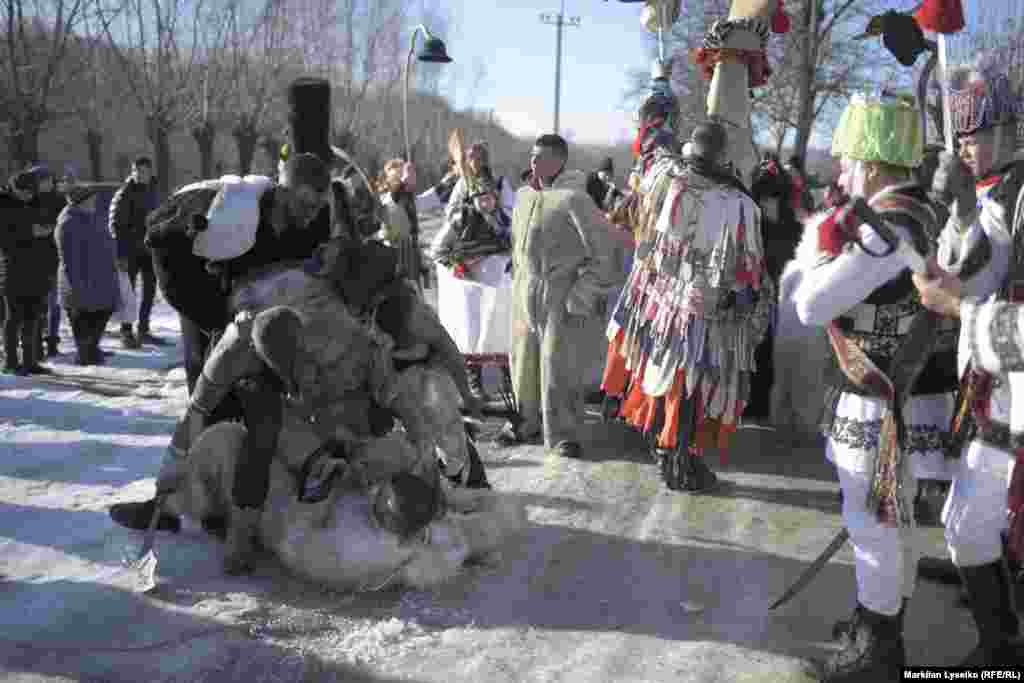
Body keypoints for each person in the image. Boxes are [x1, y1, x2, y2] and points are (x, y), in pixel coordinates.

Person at [791, 92, 958, 680]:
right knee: (892, 517)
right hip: (908, 386)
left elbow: (811, 305)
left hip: (884, 392)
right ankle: (878, 623)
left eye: (848, 160)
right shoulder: (919, 210)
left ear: (871, 162)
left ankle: (878, 649)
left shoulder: (888, 224)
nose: (842, 170)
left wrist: (820, 249)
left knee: (872, 520)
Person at [601, 14, 775, 493]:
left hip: (660, 300)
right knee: (692, 386)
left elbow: (653, 136)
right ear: (728, 159)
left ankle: (668, 454)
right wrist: (749, 307)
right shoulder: (740, 205)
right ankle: (678, 460)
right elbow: (748, 273)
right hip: (702, 312)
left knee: (666, 376)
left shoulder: (663, 175)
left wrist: (660, 83)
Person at [909, 54, 1024, 667]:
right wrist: (958, 211)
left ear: (1007, 129)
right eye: (962, 135)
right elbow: (972, 270)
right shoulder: (1000, 192)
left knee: (971, 522)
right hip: (994, 384)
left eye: (975, 133)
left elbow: (979, 299)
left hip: (1013, 393)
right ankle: (1001, 628)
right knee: (971, 521)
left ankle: (1002, 650)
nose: (965, 146)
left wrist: (958, 309)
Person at [501, 133, 618, 458]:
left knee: (559, 364)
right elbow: (516, 245)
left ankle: (564, 432)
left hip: (559, 292)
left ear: (559, 161)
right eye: (532, 155)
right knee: (522, 360)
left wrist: (580, 293)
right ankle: (525, 421)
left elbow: (604, 253)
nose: (533, 162)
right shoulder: (523, 196)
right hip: (525, 290)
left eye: (541, 156)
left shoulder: (575, 199)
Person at [435, 141, 517, 400]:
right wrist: (458, 265)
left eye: (481, 157)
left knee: (499, 322)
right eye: (472, 158)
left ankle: (509, 381)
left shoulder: (501, 189)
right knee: (472, 326)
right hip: (471, 273)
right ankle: (474, 384)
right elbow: (442, 241)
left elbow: (513, 224)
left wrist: (497, 216)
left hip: (498, 271)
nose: (477, 162)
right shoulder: (462, 202)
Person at [0, 170, 59, 375]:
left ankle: (30, 360)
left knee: (33, 316)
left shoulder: (35, 202)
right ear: (15, 189)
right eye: (24, 193)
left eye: (31, 192)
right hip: (13, 268)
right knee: (13, 317)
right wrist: (30, 232)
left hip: (37, 267)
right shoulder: (4, 204)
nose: (28, 196)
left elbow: (46, 219)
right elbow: (5, 238)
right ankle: (10, 361)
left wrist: (45, 229)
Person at [54, 184, 120, 365]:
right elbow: (69, 258)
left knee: (103, 311)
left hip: (100, 276)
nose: (95, 202)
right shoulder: (68, 222)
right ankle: (85, 353)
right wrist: (76, 284)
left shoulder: (91, 217)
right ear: (81, 202)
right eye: (91, 199)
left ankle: (91, 348)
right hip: (79, 279)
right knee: (82, 318)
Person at [109, 156, 162, 348]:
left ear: (150, 172)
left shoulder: (155, 189)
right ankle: (126, 331)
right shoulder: (125, 192)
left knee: (150, 291)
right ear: (132, 172)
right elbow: (115, 225)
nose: (140, 174)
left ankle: (143, 329)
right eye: (136, 171)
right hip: (130, 250)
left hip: (150, 249)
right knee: (128, 293)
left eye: (144, 171)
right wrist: (120, 253)